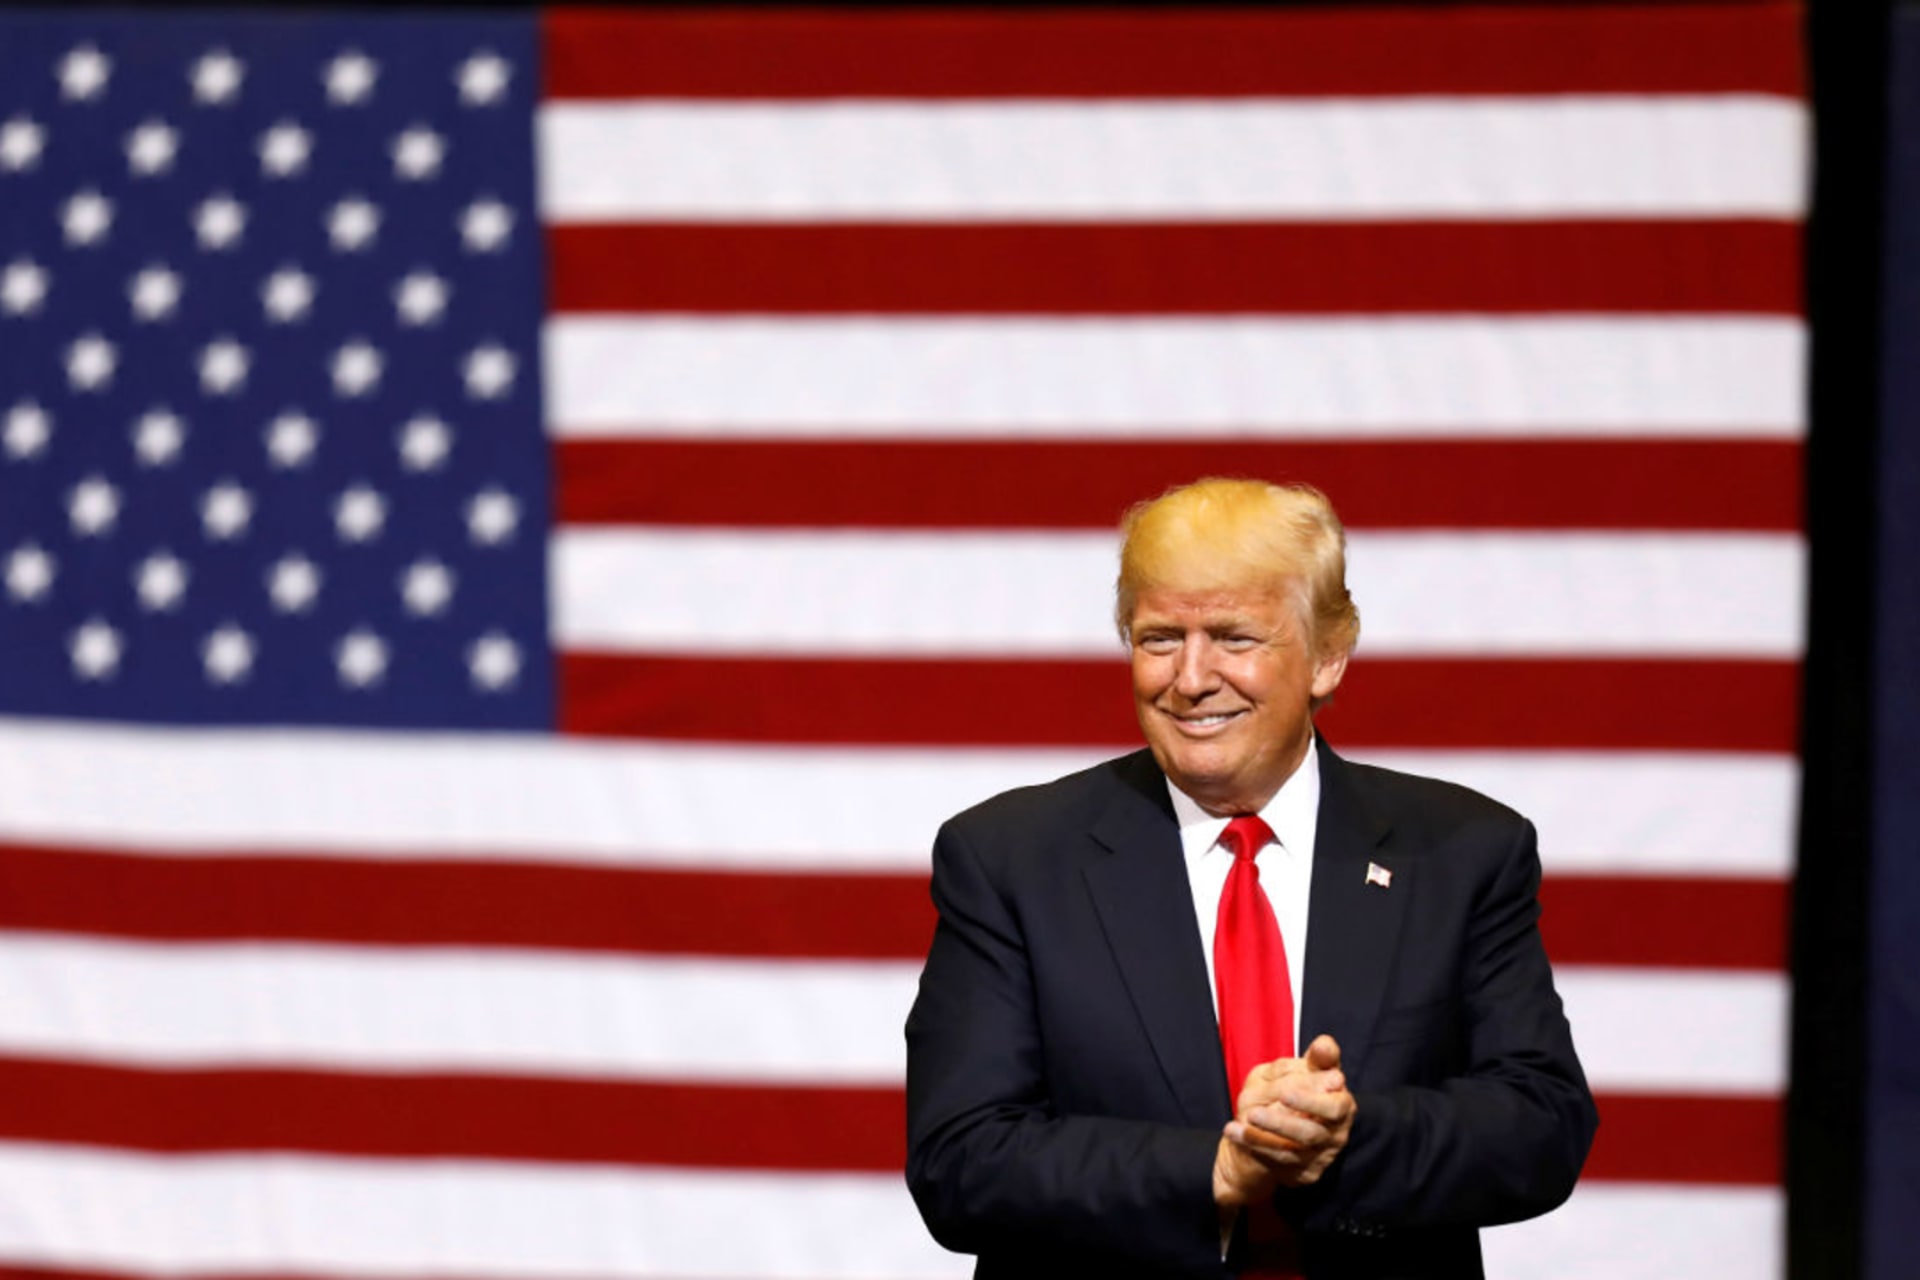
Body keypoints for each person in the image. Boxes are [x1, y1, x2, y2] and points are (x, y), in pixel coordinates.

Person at [904, 478, 1597, 1278]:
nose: (1190, 678)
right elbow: (961, 1160)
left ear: (1328, 656)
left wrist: (1344, 1138)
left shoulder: (1462, 850)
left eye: (1234, 638)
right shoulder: (1011, 858)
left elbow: (1542, 1125)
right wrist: (1218, 1171)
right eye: (1159, 637)